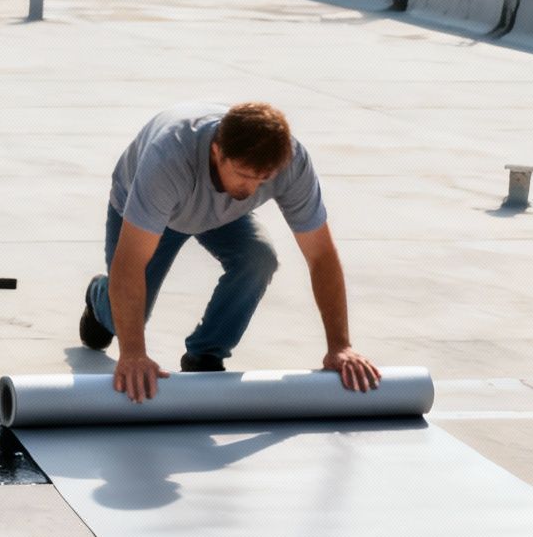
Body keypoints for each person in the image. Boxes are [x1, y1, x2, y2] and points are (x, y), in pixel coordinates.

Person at [80, 101, 379, 402]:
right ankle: (98, 299)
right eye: (243, 174)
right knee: (126, 318)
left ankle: (205, 354)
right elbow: (129, 264)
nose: (251, 188)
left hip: (220, 213)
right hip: (149, 209)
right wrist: (133, 354)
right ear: (216, 150)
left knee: (259, 258)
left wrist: (339, 345)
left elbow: (321, 255)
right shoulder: (168, 158)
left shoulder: (291, 162)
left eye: (262, 179)